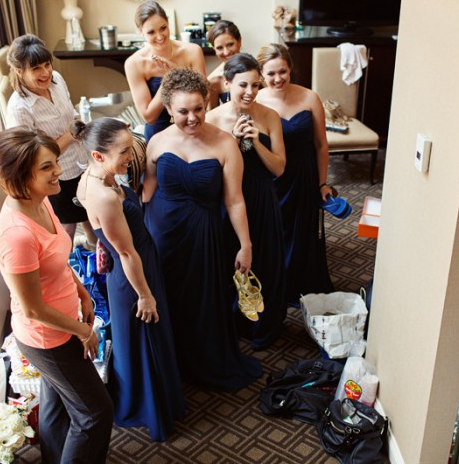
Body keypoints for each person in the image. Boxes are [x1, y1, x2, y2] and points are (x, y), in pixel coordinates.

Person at [0, 127, 113, 463]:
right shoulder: (16, 235)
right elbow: (32, 309)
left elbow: (57, 259)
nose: (58, 170)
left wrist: (82, 293)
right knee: (95, 413)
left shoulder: (41, 201)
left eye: (55, 162)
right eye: (47, 167)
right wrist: (83, 331)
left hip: (63, 322)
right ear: (20, 174)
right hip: (48, 338)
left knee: (56, 407)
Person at [143, 67, 262, 388]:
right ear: (169, 109)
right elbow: (147, 191)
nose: (193, 117)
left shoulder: (225, 144)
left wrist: (245, 244)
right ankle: (172, 366)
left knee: (202, 300)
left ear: (207, 102)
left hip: (204, 235)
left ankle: (202, 362)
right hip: (162, 232)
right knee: (166, 297)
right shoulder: (156, 141)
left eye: (199, 108)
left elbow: (234, 200)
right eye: (183, 111)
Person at [72, 117, 184, 441]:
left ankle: (157, 399)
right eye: (123, 152)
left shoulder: (94, 176)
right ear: (98, 155)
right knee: (145, 338)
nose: (130, 157)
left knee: (145, 339)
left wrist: (102, 244)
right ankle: (149, 409)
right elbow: (125, 253)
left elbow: (101, 234)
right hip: (133, 274)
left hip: (138, 260)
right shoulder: (104, 196)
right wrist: (145, 296)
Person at [207, 53, 287, 350]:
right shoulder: (212, 119)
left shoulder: (270, 116)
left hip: (262, 198)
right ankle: (233, 324)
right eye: (243, 85)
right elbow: (209, 169)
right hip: (227, 200)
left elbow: (279, 168)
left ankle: (264, 327)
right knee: (231, 263)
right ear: (227, 84)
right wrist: (232, 140)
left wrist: (255, 144)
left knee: (266, 262)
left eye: (256, 85)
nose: (250, 92)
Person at [256, 43, 334, 304]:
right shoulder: (256, 101)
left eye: (283, 71)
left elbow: (321, 145)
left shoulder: (310, 97)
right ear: (261, 74)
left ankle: (302, 285)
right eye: (271, 73)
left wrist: (322, 183)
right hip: (272, 177)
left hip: (304, 176)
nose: (278, 78)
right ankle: (277, 285)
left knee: (303, 233)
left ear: (290, 69)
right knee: (274, 233)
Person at [6, 34, 96, 248]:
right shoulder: (19, 109)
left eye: (47, 64)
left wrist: (79, 125)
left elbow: (70, 112)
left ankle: (98, 261)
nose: (45, 72)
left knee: (92, 218)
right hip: (56, 176)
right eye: (36, 68)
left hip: (81, 162)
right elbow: (34, 157)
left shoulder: (57, 79)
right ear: (19, 70)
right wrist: (69, 135)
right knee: (66, 229)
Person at [125, 0, 206, 141]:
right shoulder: (134, 63)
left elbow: (205, 97)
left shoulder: (193, 51)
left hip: (193, 128)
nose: (159, 36)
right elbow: (149, 117)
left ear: (168, 24)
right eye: (151, 32)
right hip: (158, 135)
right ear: (141, 32)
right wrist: (169, 79)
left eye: (163, 28)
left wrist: (176, 72)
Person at [206, 20, 242, 110]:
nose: (226, 52)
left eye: (230, 44)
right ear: (214, 49)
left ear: (239, 41)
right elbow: (212, 116)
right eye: (219, 48)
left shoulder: (258, 69)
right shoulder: (213, 80)